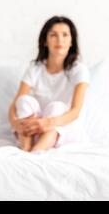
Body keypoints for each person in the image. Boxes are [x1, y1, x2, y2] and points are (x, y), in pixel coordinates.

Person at [8, 16, 90, 152]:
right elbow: (15, 104)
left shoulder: (79, 70)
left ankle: (35, 152)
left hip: (63, 126)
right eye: (53, 35)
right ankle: (26, 149)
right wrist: (16, 123)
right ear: (45, 41)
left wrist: (47, 123)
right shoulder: (35, 68)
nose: (60, 40)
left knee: (56, 107)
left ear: (71, 42)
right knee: (24, 101)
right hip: (37, 127)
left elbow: (75, 112)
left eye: (65, 35)